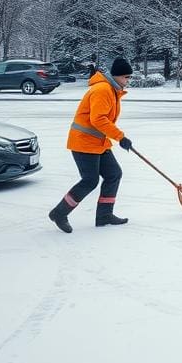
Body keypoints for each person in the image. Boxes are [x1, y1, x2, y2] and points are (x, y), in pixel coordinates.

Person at [48, 58, 135, 233]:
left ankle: (104, 215)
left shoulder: (112, 90)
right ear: (117, 76)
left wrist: (117, 138)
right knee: (90, 181)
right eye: (127, 77)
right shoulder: (103, 90)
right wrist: (120, 137)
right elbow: (98, 119)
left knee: (113, 174)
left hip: (98, 143)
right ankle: (59, 213)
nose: (128, 81)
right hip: (84, 142)